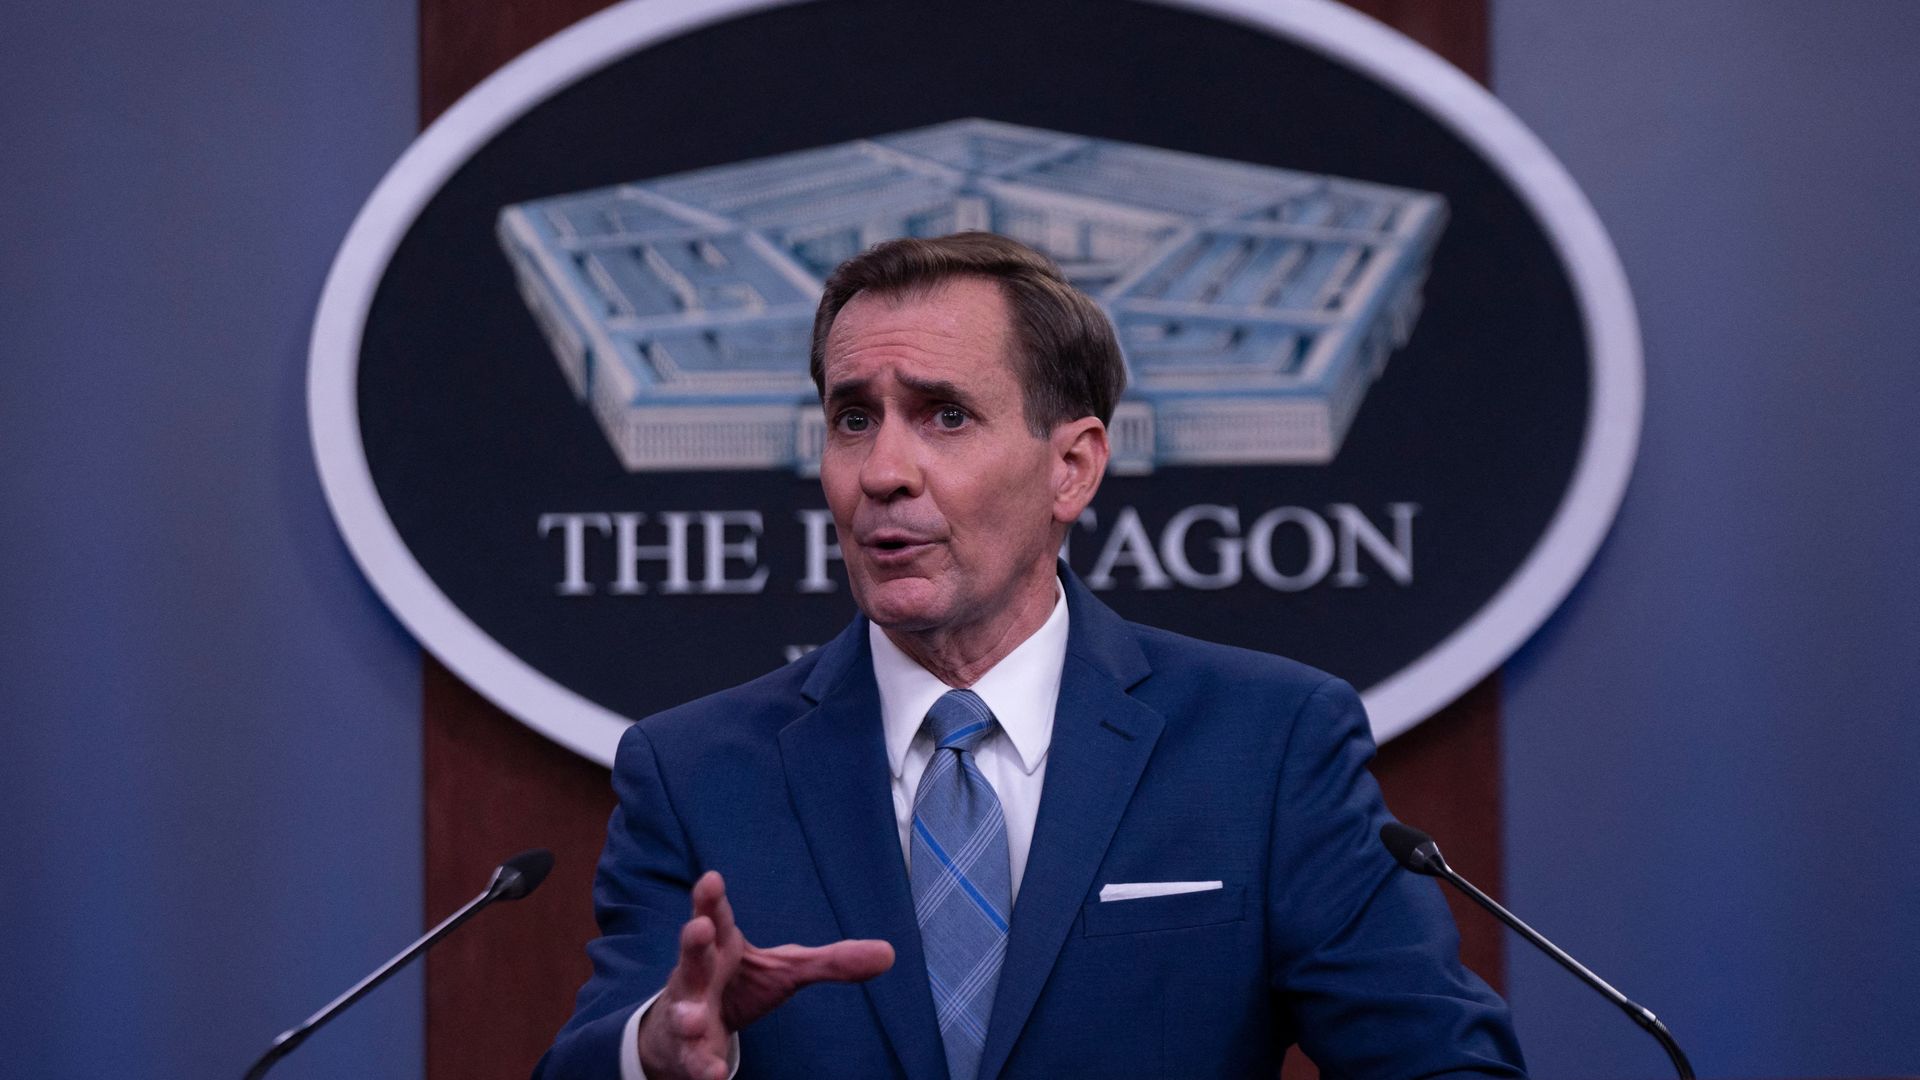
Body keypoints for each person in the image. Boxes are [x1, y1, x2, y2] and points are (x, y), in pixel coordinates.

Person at [534, 233, 1526, 1080]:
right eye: (853, 419)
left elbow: (1442, 1060)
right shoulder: (697, 772)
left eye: (946, 416)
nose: (882, 472)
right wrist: (655, 1051)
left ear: (1072, 467)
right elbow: (599, 1050)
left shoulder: (1263, 745)